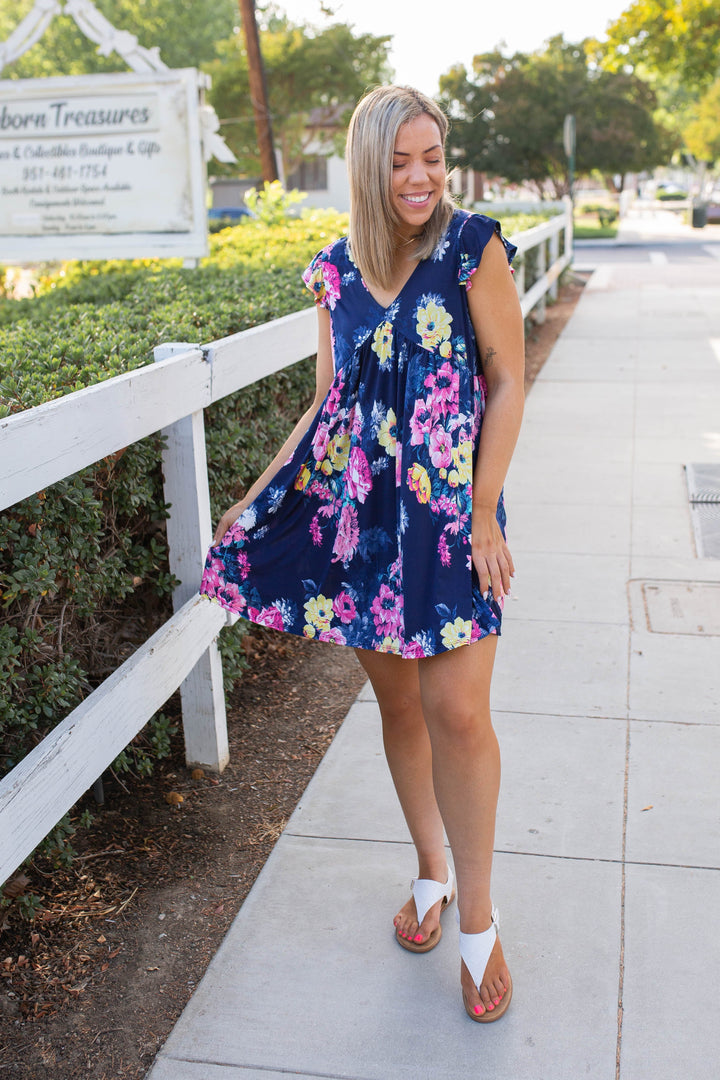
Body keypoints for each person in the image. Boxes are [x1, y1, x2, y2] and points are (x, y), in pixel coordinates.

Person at [200, 84, 525, 1023]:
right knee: (399, 706)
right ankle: (429, 872)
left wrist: (484, 509)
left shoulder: (473, 247)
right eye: (401, 161)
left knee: (458, 709)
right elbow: (325, 402)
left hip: (453, 517)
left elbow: (504, 380)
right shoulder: (334, 272)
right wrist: (257, 500)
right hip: (362, 525)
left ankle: (477, 919)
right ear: (367, 168)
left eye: (433, 156)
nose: (423, 176)